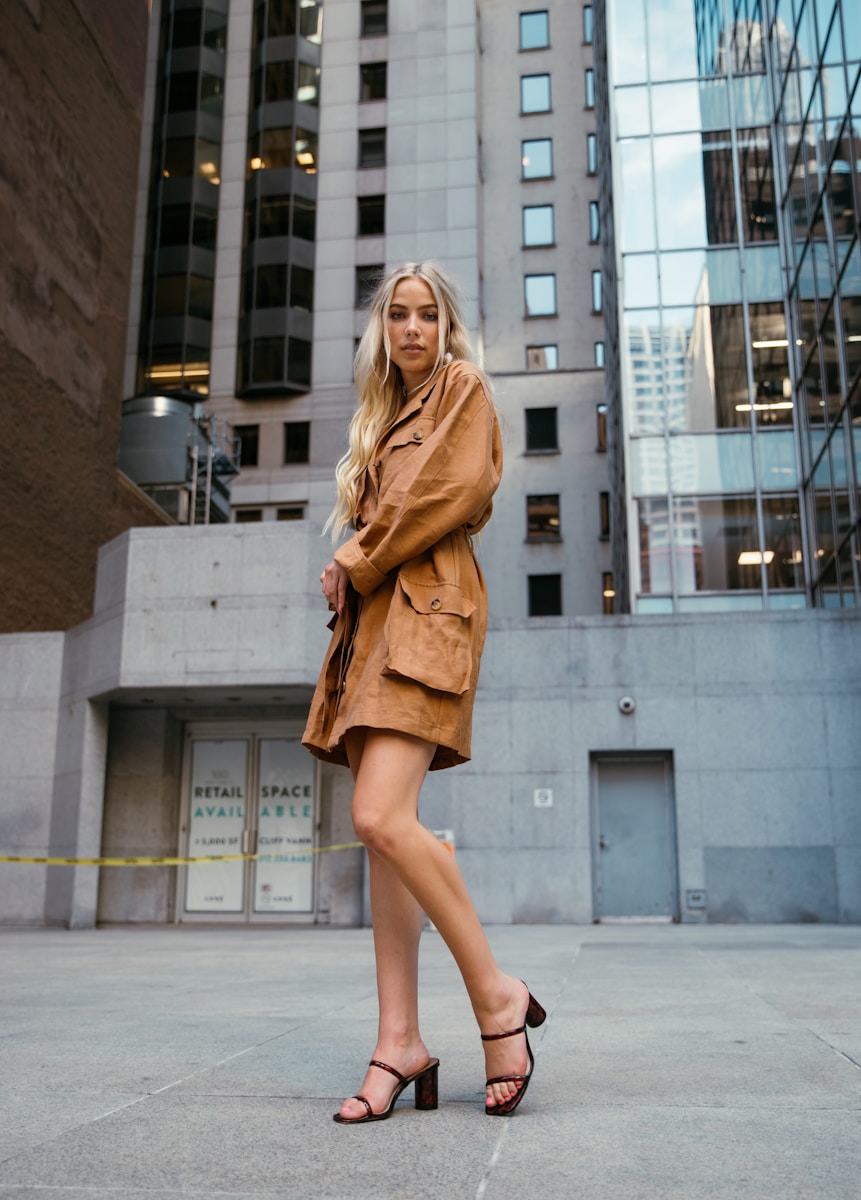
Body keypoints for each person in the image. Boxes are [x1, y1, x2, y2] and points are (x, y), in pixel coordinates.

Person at [302, 262, 545, 1124]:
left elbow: (453, 491)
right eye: (398, 315)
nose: (412, 328)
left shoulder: (461, 389)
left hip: (426, 615)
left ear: (446, 326)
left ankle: (497, 997)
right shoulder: (381, 420)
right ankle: (398, 1041)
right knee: (384, 843)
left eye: (427, 314)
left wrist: (354, 556)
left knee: (379, 817)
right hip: (373, 631)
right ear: (382, 330)